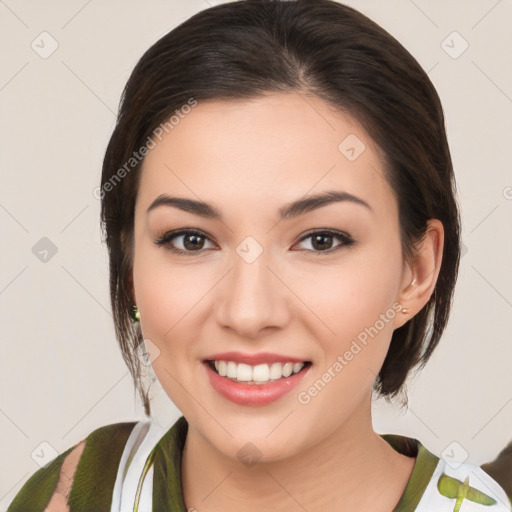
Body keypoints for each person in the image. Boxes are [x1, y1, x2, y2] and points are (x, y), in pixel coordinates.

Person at [6, 0, 511, 510]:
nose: (248, 313)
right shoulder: (75, 490)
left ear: (417, 271)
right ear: (132, 266)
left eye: (321, 240)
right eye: (190, 239)